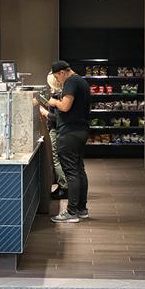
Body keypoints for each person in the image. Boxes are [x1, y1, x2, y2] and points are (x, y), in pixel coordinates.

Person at [47, 60, 91, 223]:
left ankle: (71, 212)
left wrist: (54, 102)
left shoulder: (70, 81)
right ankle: (82, 209)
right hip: (81, 131)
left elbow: (65, 107)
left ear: (62, 73)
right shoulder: (82, 81)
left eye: (57, 78)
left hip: (69, 133)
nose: (58, 81)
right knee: (79, 170)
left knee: (71, 172)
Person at [39, 72, 69, 200]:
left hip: (56, 130)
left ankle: (64, 187)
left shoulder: (58, 95)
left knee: (56, 159)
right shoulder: (62, 94)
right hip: (61, 131)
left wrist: (45, 112)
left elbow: (57, 118)